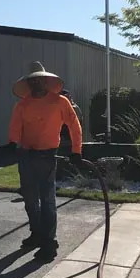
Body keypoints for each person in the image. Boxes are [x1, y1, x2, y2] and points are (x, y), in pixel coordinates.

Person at [7, 62, 83, 261]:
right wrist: (11, 144)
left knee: (47, 199)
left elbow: (74, 126)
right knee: (31, 199)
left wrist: (77, 151)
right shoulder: (22, 105)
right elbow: (15, 128)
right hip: (26, 156)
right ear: (29, 83)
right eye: (32, 80)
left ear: (47, 80)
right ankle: (37, 234)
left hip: (48, 156)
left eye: (39, 79)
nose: (36, 82)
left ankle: (50, 243)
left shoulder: (60, 102)